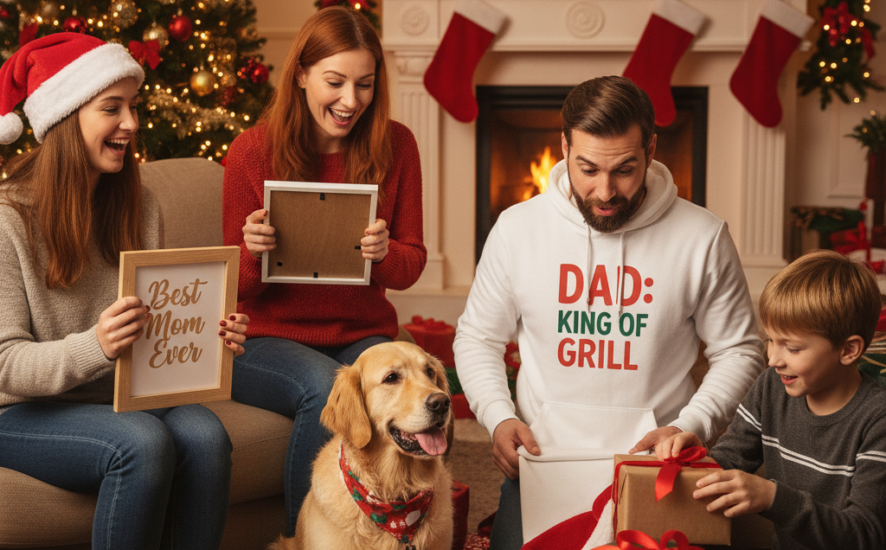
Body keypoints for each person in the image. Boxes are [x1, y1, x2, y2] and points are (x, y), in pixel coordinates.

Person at [453, 75, 765, 549]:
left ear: (652, 149)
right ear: (563, 147)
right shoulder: (517, 230)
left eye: (624, 169)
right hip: (543, 463)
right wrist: (497, 417)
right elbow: (477, 336)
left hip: (656, 469)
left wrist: (690, 425)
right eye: (587, 169)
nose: (604, 191)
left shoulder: (702, 236)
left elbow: (740, 350)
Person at [0, 34, 249, 550]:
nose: (131, 124)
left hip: (115, 396)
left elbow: (154, 333)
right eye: (111, 108)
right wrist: (98, 344)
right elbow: (4, 363)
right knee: (141, 443)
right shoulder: (8, 220)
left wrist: (207, 334)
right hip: (18, 411)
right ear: (67, 119)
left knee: (206, 436)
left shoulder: (141, 206)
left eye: (132, 107)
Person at [222, 6, 426, 540]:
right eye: (335, 82)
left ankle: (401, 526)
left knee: (411, 382)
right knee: (321, 388)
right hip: (267, 340)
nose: (350, 101)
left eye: (364, 84)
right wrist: (252, 251)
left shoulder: (397, 145)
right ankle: (302, 537)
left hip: (362, 334)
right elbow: (232, 289)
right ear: (302, 76)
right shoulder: (251, 152)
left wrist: (384, 252)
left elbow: (411, 267)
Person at [659, 250, 886, 550]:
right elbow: (729, 461)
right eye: (770, 340)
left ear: (848, 350)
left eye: (792, 348)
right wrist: (697, 459)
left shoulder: (877, 418)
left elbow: (865, 535)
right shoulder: (772, 387)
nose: (772, 359)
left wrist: (773, 498)